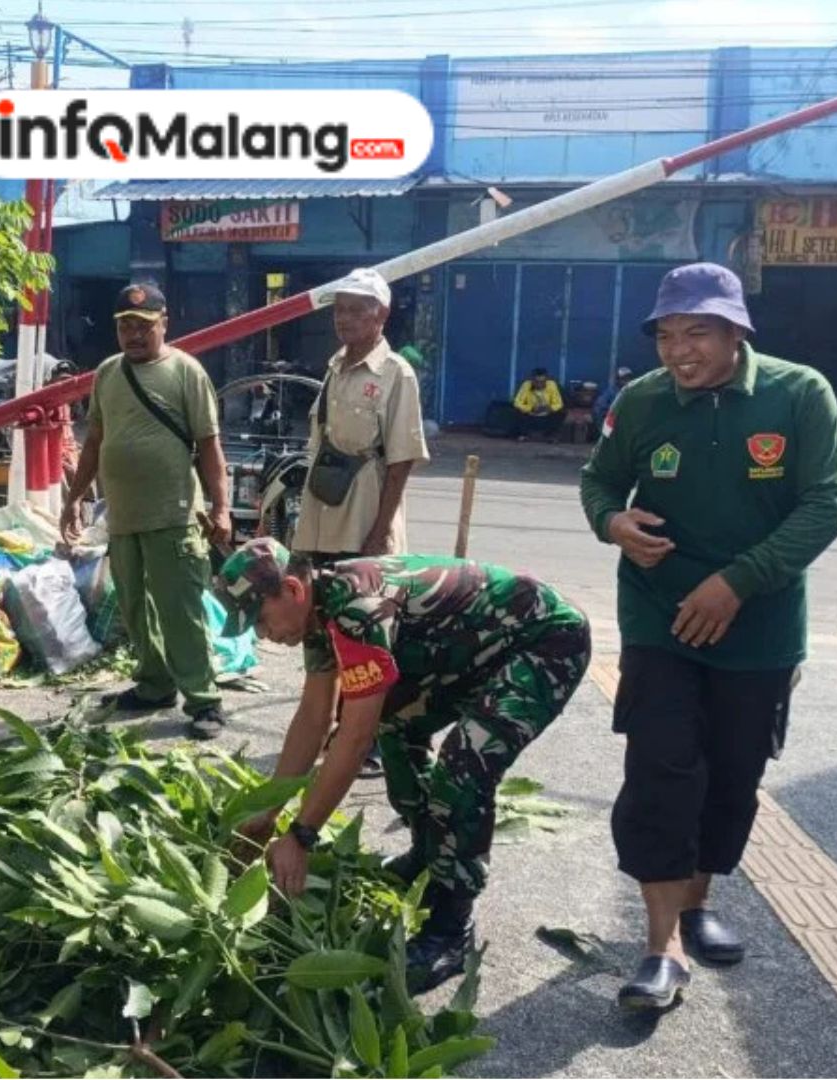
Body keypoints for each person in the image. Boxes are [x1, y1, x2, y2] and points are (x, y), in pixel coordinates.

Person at [578, 262, 837, 1011]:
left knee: (732, 776)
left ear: (737, 331)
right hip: (659, 619)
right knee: (662, 770)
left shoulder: (800, 396)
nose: (679, 350)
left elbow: (826, 506)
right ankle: (660, 945)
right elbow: (599, 481)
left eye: (696, 331)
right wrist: (612, 522)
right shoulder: (641, 403)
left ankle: (697, 903)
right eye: (667, 334)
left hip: (759, 627)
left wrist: (737, 582)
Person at [218, 538, 591, 992]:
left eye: (259, 619)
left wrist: (301, 835)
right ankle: (429, 848)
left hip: (543, 643)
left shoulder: (358, 609)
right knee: (395, 726)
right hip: (468, 653)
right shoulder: (319, 616)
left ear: (293, 589)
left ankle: (451, 928)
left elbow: (353, 740)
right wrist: (267, 813)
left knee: (466, 760)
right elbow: (314, 719)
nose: (261, 634)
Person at [61, 283, 233, 738]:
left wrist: (221, 508)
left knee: (181, 610)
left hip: (174, 515)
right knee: (135, 608)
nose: (134, 335)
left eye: (143, 326)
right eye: (125, 327)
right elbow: (95, 440)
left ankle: (205, 700)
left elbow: (210, 446)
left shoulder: (185, 371)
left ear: (164, 325)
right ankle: (155, 684)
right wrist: (74, 495)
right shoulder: (107, 373)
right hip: (123, 517)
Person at [291, 267, 429, 562]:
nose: (343, 318)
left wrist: (379, 534)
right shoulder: (334, 368)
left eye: (355, 310)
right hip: (319, 520)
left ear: (381, 314)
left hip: (362, 528)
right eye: (339, 310)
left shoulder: (396, 374)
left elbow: (401, 462)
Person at [512, 367, 566, 440]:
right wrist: (530, 408)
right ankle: (523, 435)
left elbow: (559, 403)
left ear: (546, 380)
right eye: (536, 381)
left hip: (546, 415)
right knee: (517, 411)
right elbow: (517, 402)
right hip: (530, 415)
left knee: (560, 413)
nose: (539, 384)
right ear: (532, 380)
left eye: (542, 382)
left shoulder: (552, 385)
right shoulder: (526, 385)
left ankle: (551, 435)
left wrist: (550, 408)